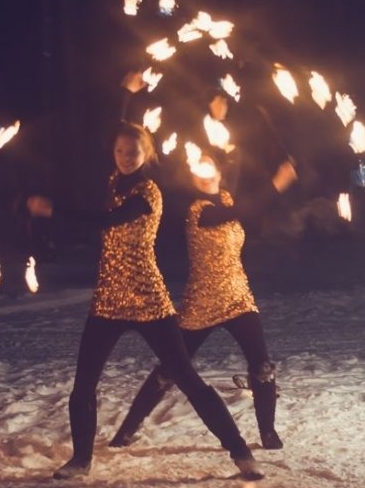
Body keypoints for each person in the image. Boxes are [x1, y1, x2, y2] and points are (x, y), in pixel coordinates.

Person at [26, 122, 264, 480]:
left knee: (186, 377)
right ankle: (80, 460)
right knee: (84, 382)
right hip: (108, 301)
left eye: (133, 152)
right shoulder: (113, 182)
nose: (125, 158)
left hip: (149, 300)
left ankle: (241, 453)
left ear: (147, 154)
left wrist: (53, 210)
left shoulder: (149, 193)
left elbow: (110, 220)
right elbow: (113, 135)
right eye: (120, 151)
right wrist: (126, 96)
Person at [109, 151, 297, 451]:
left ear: (220, 172)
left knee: (262, 365)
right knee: (171, 368)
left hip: (239, 298)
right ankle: (127, 429)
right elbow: (244, 211)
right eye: (198, 166)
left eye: (209, 162)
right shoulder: (199, 209)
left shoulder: (227, 199)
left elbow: (243, 205)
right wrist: (277, 183)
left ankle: (268, 433)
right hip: (202, 302)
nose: (201, 167)